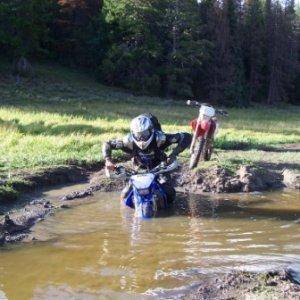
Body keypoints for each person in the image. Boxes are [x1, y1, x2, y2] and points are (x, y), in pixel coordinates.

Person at [102, 114, 191, 204]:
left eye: (145, 134)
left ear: (151, 131)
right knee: (125, 195)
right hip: (138, 170)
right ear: (132, 133)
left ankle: (169, 211)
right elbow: (107, 144)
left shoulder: (160, 139)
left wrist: (173, 154)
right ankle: (125, 212)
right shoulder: (127, 142)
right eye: (138, 135)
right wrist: (108, 160)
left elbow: (186, 136)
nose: (141, 138)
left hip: (160, 168)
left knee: (170, 193)